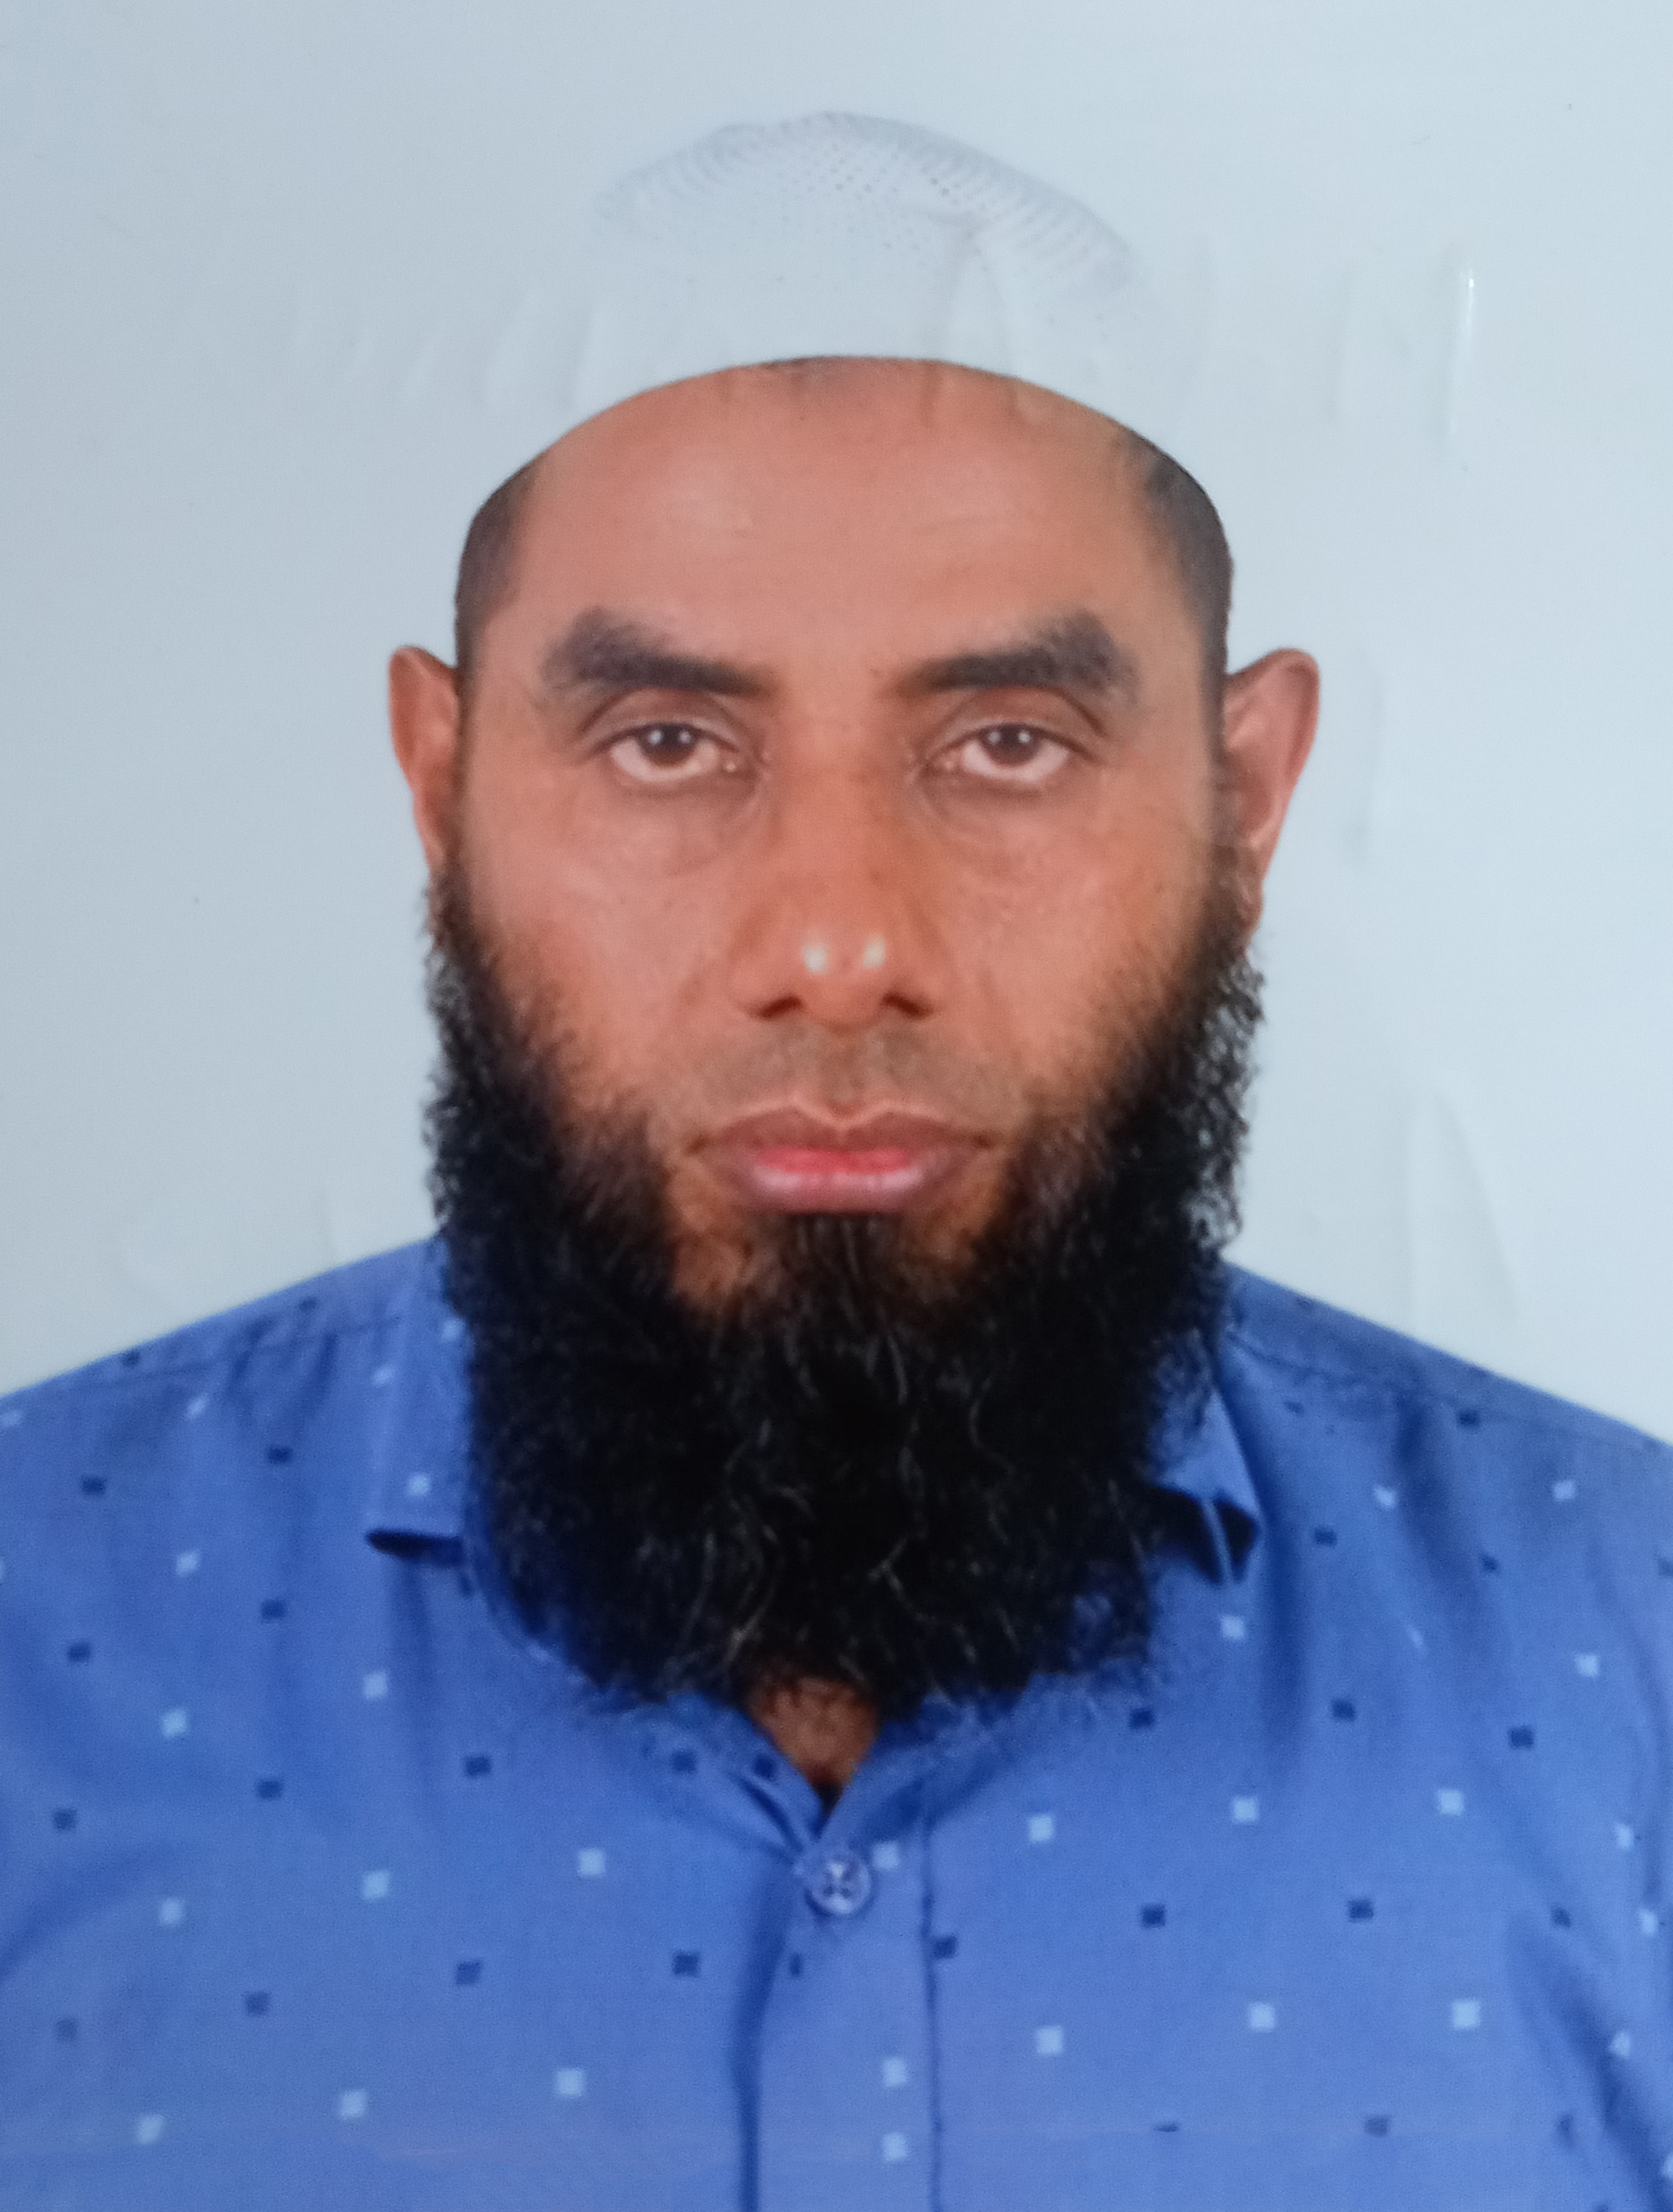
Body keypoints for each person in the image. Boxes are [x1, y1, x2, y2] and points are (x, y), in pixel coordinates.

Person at [2, 113, 1669, 2212]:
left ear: (1242, 805)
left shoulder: (1632, 1652)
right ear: (444, 787)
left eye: (1006, 743)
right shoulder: (35, 1626)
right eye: (668, 741)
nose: (840, 942)